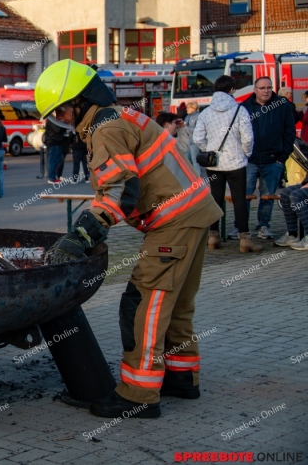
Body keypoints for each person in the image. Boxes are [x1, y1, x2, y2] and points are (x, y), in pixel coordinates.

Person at [35, 59, 222, 419]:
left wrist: (81, 235)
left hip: (174, 222)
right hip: (196, 214)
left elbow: (120, 191)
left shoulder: (105, 128)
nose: (62, 119)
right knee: (176, 303)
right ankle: (181, 377)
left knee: (142, 306)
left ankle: (138, 394)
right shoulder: (119, 116)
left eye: (61, 110)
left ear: (81, 100)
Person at [192, 76, 259, 252]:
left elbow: (197, 138)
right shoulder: (240, 110)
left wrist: (209, 150)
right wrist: (246, 153)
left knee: (216, 198)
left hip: (214, 163)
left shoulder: (206, 112)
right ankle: (245, 240)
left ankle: (213, 237)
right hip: (236, 162)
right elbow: (248, 137)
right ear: (232, 90)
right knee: (239, 200)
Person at [233, 77, 296, 240]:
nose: (266, 91)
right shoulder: (244, 107)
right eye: (262, 88)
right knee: (244, 195)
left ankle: (263, 226)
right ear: (255, 90)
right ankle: (240, 228)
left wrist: (282, 157)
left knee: (267, 197)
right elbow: (236, 134)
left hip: (273, 159)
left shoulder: (282, 106)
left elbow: (289, 132)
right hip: (249, 160)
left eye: (269, 87)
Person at [43, 117, 68, 184]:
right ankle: (52, 178)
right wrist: (64, 125)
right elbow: (57, 130)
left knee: (56, 160)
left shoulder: (52, 119)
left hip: (54, 141)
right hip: (54, 141)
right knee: (53, 160)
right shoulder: (53, 120)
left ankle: (54, 176)